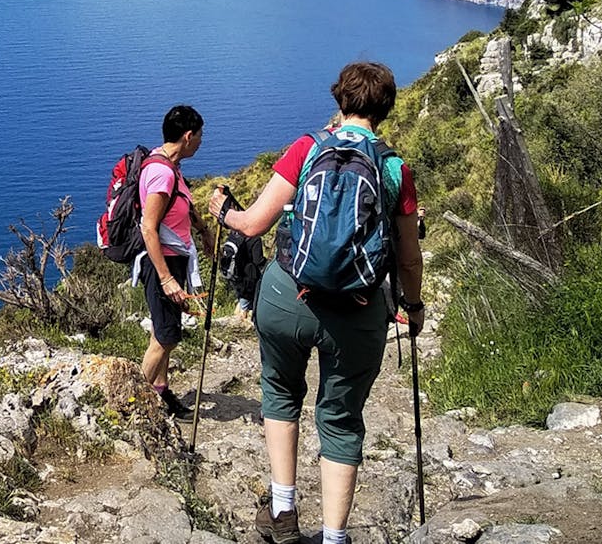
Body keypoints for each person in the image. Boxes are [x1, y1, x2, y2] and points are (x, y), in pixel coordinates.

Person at [208, 62, 425, 544]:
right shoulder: (393, 169)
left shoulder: (307, 148)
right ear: (386, 108)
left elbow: (253, 225)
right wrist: (414, 307)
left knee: (281, 392)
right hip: (358, 307)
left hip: (287, 297)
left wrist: (222, 211)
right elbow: (409, 260)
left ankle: (283, 510)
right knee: (341, 420)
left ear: (339, 99)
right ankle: (333, 538)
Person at [137, 104, 215, 420]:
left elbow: (182, 205)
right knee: (164, 337)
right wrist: (167, 278)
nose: (200, 142)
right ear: (187, 136)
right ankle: (134, 404)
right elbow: (148, 227)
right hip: (162, 264)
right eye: (199, 136)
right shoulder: (160, 172)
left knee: (165, 332)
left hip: (174, 259)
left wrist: (204, 231)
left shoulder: (171, 165)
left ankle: (160, 391)